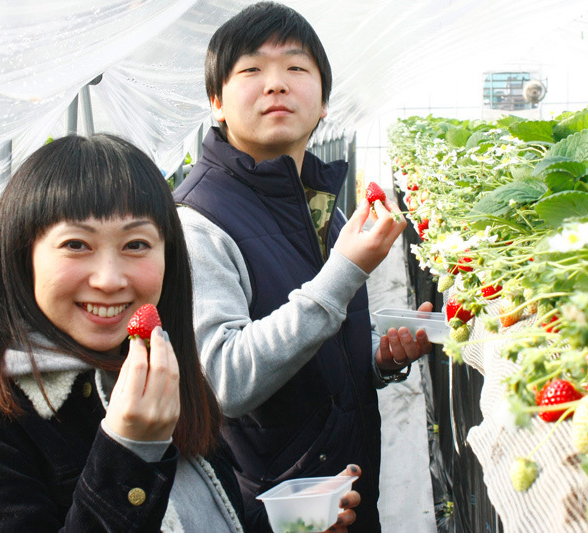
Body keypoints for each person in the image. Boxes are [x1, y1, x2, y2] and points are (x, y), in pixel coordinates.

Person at [0, 133, 360, 532]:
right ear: (23, 255)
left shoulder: (156, 372)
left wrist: (288, 524)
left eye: (136, 245)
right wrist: (130, 450)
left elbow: (194, 515)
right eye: (76, 245)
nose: (110, 279)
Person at [172, 3, 434, 531]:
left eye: (296, 68)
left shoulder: (317, 201)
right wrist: (345, 272)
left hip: (346, 494)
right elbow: (222, 380)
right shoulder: (197, 222)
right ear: (216, 102)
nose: (276, 85)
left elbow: (316, 348)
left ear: (324, 104)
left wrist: (379, 362)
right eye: (251, 70)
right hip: (273, 509)